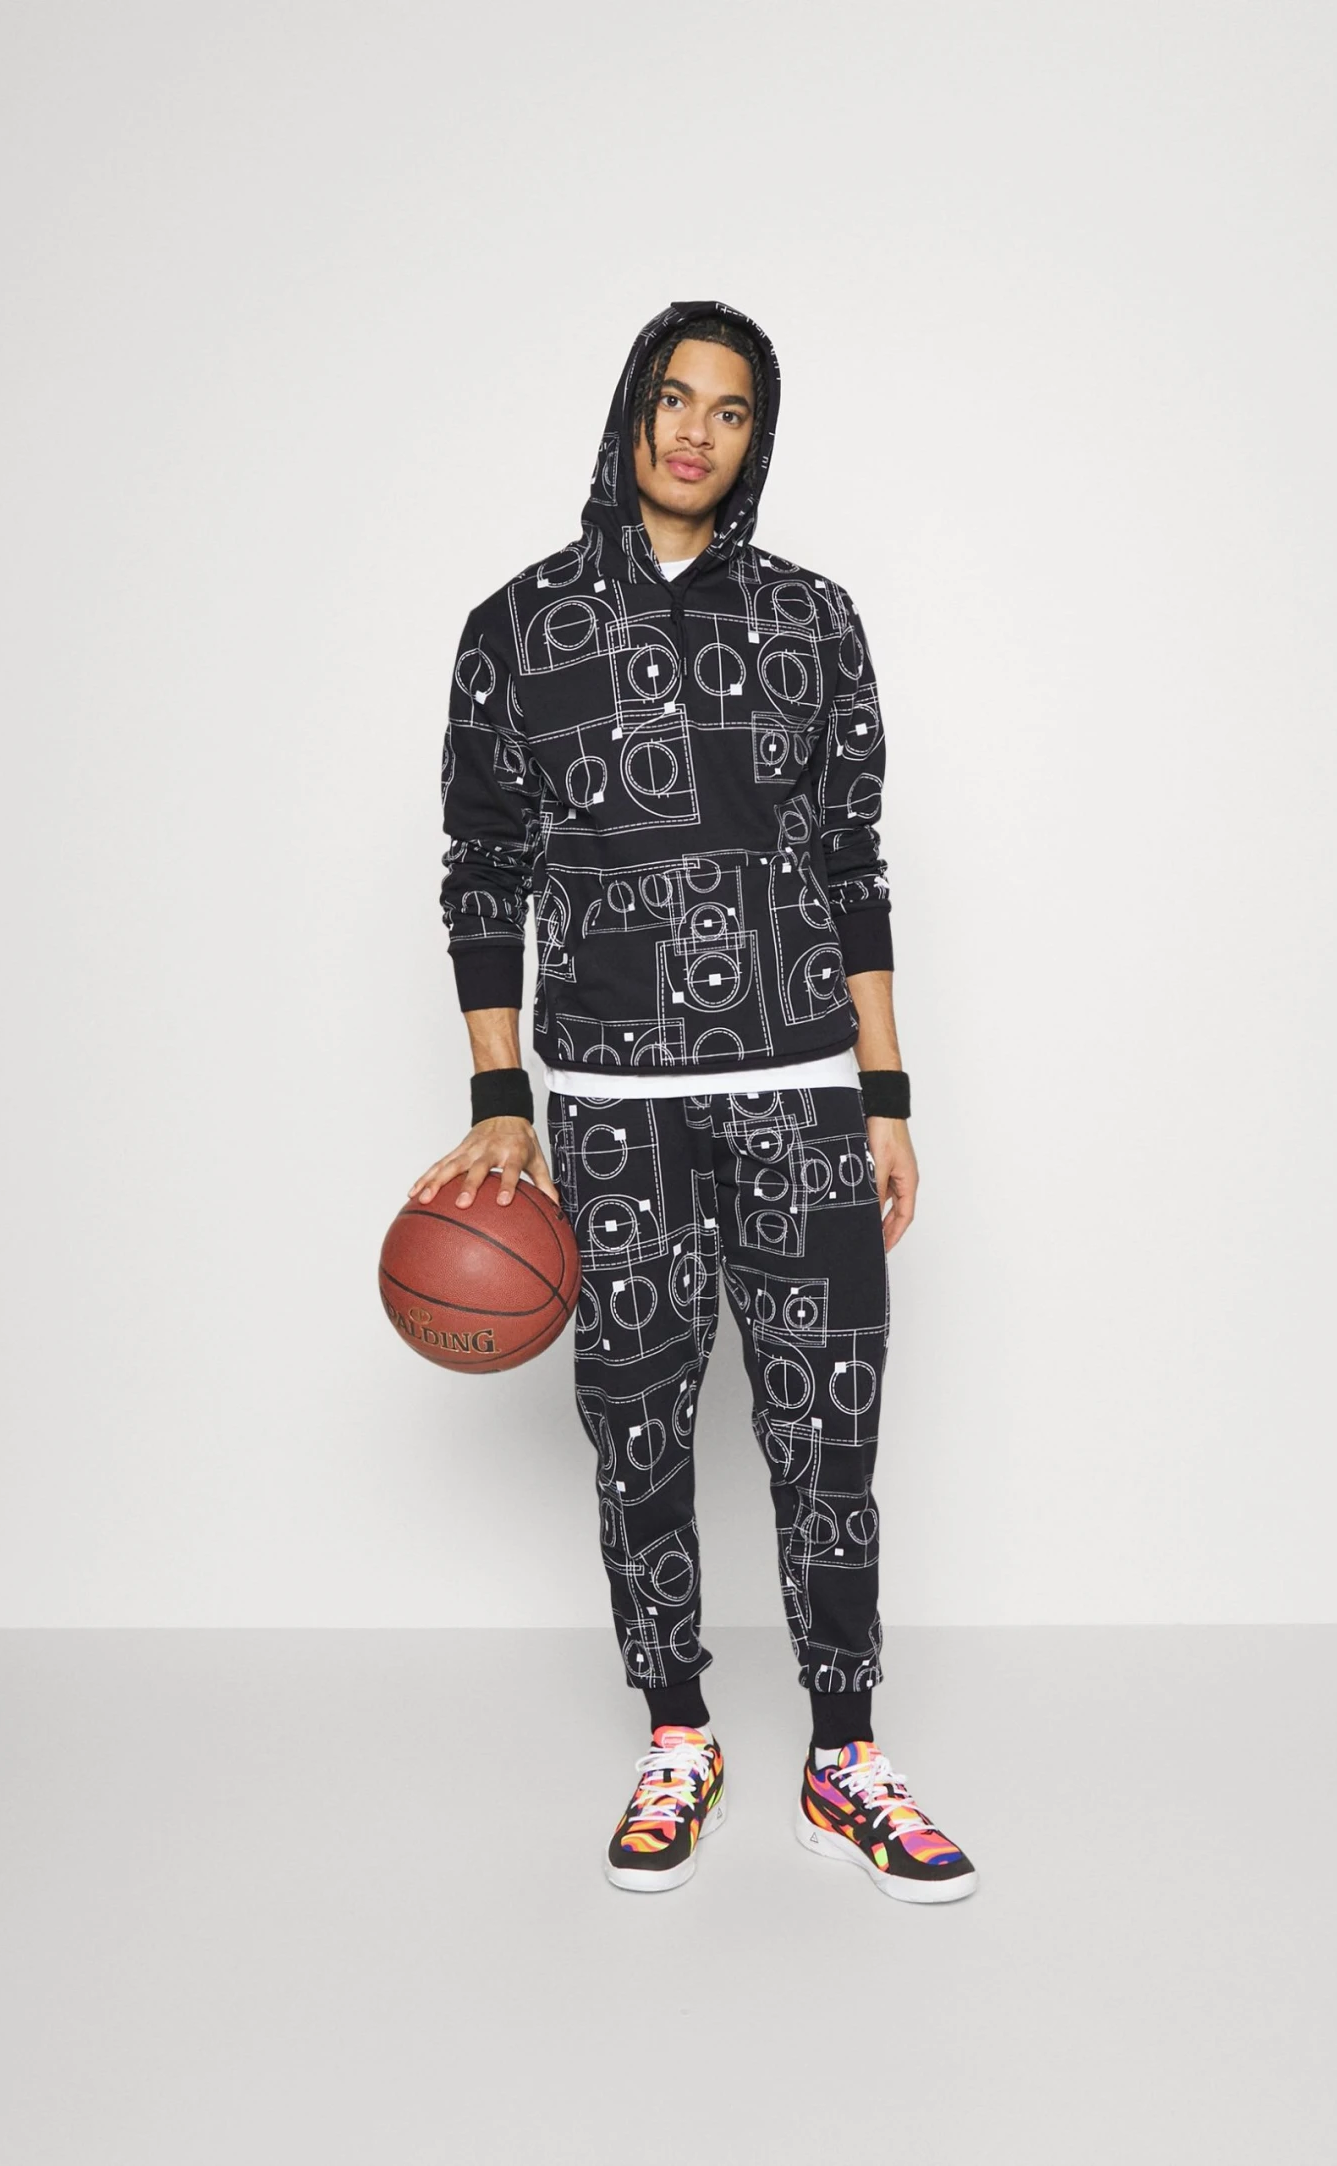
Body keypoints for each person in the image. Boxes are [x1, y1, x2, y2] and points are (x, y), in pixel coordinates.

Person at [410, 300, 977, 1905]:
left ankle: (845, 1757)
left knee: (829, 1433)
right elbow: (481, 869)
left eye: (731, 411)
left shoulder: (814, 618)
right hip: (609, 1105)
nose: (696, 432)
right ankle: (679, 1731)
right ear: (631, 409)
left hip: (801, 1088)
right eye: (675, 397)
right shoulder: (515, 628)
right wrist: (501, 1094)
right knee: (638, 1429)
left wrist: (884, 1090)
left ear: (754, 439)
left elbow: (854, 862)